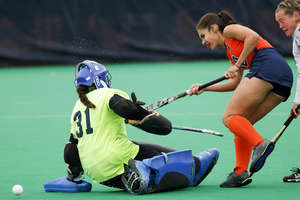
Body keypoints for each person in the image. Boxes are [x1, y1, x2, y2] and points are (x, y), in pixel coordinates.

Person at [44, 60, 220, 195]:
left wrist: (73, 177)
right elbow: (121, 107)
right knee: (156, 157)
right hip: (117, 158)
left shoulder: (77, 107)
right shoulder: (108, 94)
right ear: (99, 79)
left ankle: (135, 176)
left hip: (99, 174)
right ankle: (194, 166)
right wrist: (137, 112)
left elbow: (71, 149)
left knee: (139, 144)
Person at [189, 11, 294, 188]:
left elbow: (252, 37)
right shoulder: (231, 54)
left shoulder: (229, 30)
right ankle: (240, 173)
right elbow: (233, 84)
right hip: (282, 79)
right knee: (242, 123)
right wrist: (205, 87)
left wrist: (238, 65)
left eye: (203, 35)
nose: (203, 41)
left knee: (228, 118)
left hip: (267, 65)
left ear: (214, 28)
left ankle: (260, 144)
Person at [275, 0, 300, 182]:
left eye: (282, 21)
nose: (280, 25)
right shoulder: (296, 39)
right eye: (278, 23)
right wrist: (297, 101)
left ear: (296, 16)